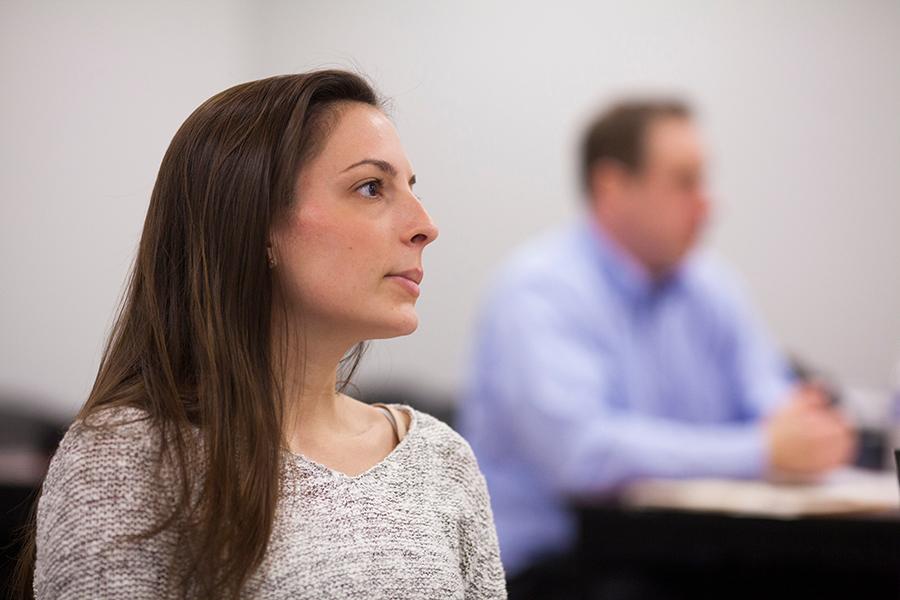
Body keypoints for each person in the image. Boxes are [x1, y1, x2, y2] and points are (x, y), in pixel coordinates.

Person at [14, 71, 506, 599]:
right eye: (370, 187)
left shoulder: (440, 459)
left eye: (411, 188)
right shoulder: (129, 456)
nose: (425, 225)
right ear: (257, 222)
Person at [458, 99, 854, 595]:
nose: (709, 203)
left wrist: (809, 427)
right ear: (612, 187)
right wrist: (762, 450)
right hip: (552, 567)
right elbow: (582, 456)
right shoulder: (540, 291)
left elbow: (769, 400)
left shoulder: (710, 287)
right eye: (685, 181)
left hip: (678, 552)